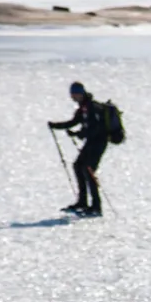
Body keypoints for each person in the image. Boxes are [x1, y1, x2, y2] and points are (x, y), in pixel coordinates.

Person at [48, 81, 112, 216]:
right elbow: (73, 122)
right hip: (91, 142)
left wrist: (78, 134)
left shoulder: (92, 108)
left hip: (98, 143)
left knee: (88, 170)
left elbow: (94, 129)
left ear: (81, 93)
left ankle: (96, 206)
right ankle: (82, 202)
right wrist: (56, 126)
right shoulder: (83, 108)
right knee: (78, 166)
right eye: (72, 94)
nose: (73, 97)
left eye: (75, 94)